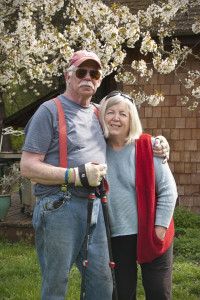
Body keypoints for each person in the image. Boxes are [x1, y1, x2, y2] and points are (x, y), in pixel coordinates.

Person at [20, 50, 169, 300]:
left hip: (97, 209)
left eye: (94, 73)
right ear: (68, 75)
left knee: (103, 285)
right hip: (59, 206)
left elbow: (126, 132)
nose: (88, 77)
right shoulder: (49, 111)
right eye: (81, 72)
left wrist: (158, 143)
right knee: (57, 284)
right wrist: (74, 175)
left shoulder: (100, 113)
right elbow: (27, 167)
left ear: (100, 81)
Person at [99, 91, 178, 300]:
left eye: (123, 114)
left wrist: (159, 229)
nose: (116, 118)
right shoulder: (95, 149)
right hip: (116, 235)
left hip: (152, 231)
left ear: (131, 118)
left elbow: (169, 190)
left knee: (158, 291)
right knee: (122, 294)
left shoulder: (150, 146)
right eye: (110, 112)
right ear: (102, 116)